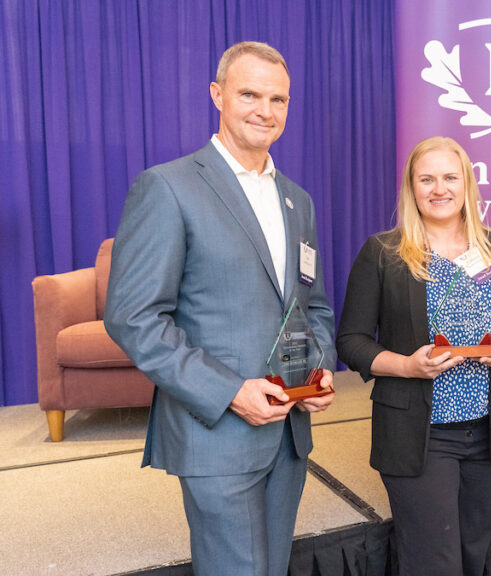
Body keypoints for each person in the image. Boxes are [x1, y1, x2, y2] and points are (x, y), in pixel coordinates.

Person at [104, 42, 336, 576]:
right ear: (217, 95)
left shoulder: (298, 200)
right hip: (216, 433)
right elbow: (133, 317)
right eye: (249, 94)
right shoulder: (168, 187)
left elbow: (313, 305)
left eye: (278, 99)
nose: (265, 110)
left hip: (289, 433)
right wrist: (230, 392)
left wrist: (316, 372)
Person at [336, 136, 491, 576]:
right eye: (426, 179)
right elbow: (351, 341)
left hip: (485, 433)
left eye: (450, 177)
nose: (439, 189)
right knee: (435, 562)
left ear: (467, 184)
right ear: (411, 187)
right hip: (419, 434)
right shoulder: (384, 253)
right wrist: (408, 366)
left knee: (473, 553)